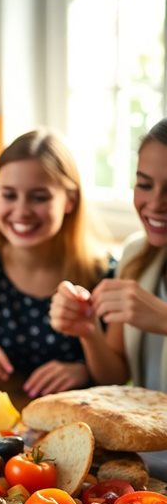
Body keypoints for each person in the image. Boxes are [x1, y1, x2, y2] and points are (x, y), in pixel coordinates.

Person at [0, 129, 115, 398]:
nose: (21, 211)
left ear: (70, 200)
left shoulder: (102, 273)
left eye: (39, 197)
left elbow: (117, 376)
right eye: (9, 195)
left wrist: (83, 370)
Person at [50, 118, 167, 392]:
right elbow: (112, 378)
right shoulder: (136, 254)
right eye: (145, 185)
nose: (156, 203)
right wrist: (89, 332)